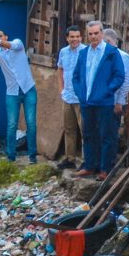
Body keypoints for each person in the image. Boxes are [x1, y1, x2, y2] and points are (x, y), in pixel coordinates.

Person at [72, 20, 125, 180]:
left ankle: (105, 169)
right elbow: (76, 76)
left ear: (102, 33)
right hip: (87, 102)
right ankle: (89, 166)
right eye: (90, 34)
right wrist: (80, 93)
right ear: (87, 35)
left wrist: (107, 90)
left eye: (96, 33)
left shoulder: (111, 52)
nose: (93, 36)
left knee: (106, 136)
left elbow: (119, 75)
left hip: (104, 102)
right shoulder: (83, 53)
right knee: (88, 134)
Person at [0, 29, 37, 164]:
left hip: (28, 90)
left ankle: (32, 156)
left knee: (31, 123)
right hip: (12, 92)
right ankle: (11, 157)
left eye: (1, 36)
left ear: (6, 37)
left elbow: (7, 44)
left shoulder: (17, 44)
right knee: (12, 125)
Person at [56, 25, 86, 169]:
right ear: (67, 38)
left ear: (81, 37)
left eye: (77, 37)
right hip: (67, 97)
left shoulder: (86, 51)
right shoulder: (63, 52)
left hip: (81, 98)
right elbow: (60, 69)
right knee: (69, 129)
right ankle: (70, 158)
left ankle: (87, 160)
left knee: (85, 130)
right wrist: (61, 89)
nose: (75, 39)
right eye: (72, 37)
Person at [103, 27, 129, 125]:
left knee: (111, 132)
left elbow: (127, 80)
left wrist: (119, 101)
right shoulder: (102, 55)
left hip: (115, 102)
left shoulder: (123, 56)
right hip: (101, 101)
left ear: (107, 41)